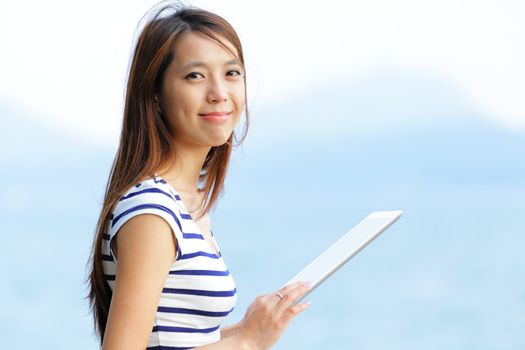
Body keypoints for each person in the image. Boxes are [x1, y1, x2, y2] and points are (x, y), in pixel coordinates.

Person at [85, 2, 311, 349]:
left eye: (232, 73)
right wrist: (247, 342)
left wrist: (246, 330)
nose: (219, 92)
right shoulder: (152, 211)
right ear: (156, 95)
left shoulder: (182, 203)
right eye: (195, 75)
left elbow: (174, 339)